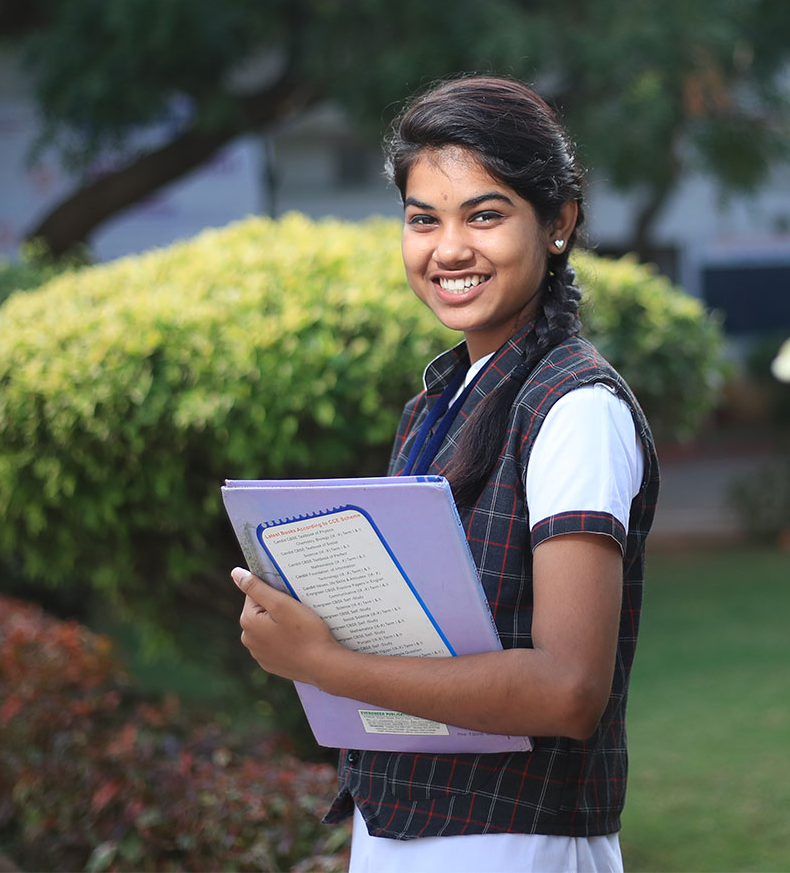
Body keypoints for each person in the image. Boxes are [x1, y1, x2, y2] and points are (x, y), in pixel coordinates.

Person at [231, 75, 659, 872]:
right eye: (422, 219)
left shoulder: (577, 412)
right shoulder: (439, 402)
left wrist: (320, 662)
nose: (448, 248)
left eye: (485, 214)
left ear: (559, 223)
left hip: (512, 845)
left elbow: (568, 690)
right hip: (404, 833)